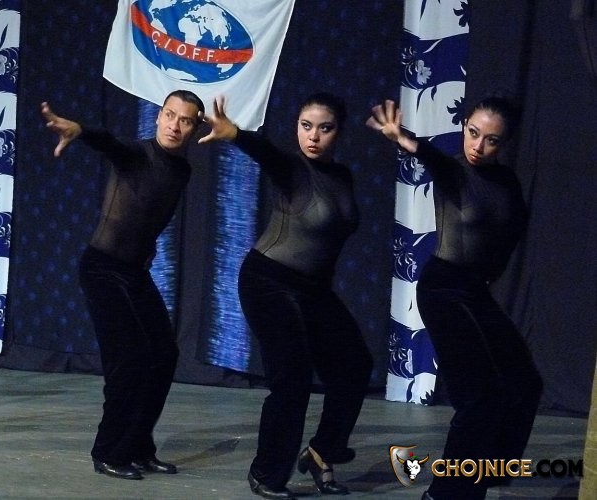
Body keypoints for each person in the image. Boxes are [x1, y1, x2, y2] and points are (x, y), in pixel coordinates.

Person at [366, 97, 542, 499]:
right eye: (473, 133)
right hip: (442, 288)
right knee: (479, 396)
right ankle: (445, 493)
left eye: (491, 140)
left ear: (505, 143)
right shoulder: (453, 170)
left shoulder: (507, 182)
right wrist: (401, 138)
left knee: (524, 383)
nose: (477, 146)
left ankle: (487, 470)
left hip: (474, 291)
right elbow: (429, 155)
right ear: (463, 126)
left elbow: (510, 230)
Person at [200, 93, 374, 499]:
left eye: (324, 128)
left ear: (339, 132)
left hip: (314, 289)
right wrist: (235, 134)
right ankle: (266, 473)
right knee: (292, 378)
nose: (313, 136)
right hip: (268, 281)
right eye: (305, 126)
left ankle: (322, 452)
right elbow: (267, 154)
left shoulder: (342, 176)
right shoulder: (292, 168)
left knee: (354, 365)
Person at [41, 90, 205, 480]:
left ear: (195, 128)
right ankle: (109, 451)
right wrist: (81, 131)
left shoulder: (182, 170)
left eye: (185, 120)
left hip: (133, 273)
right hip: (102, 268)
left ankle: (138, 447)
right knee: (128, 360)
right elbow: (109, 143)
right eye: (169, 115)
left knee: (163, 355)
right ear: (158, 117)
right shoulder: (136, 154)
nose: (174, 125)